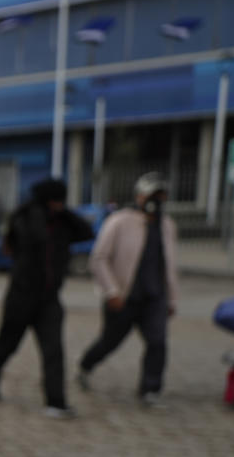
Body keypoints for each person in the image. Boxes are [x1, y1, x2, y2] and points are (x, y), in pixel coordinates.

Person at [0, 179, 94, 418]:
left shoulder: (63, 222)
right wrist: (43, 215)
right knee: (7, 345)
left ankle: (56, 401)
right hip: (21, 296)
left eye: (62, 200)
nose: (59, 205)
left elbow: (86, 232)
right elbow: (27, 239)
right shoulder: (25, 217)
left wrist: (65, 215)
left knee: (54, 350)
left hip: (49, 299)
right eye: (55, 200)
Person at [77, 172, 179, 406]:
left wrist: (172, 299)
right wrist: (111, 291)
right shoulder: (120, 221)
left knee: (158, 342)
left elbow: (170, 264)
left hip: (154, 297)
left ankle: (150, 389)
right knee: (110, 341)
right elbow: (99, 259)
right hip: (124, 297)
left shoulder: (167, 225)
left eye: (161, 196)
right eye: (153, 195)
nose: (157, 201)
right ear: (140, 196)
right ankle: (86, 365)